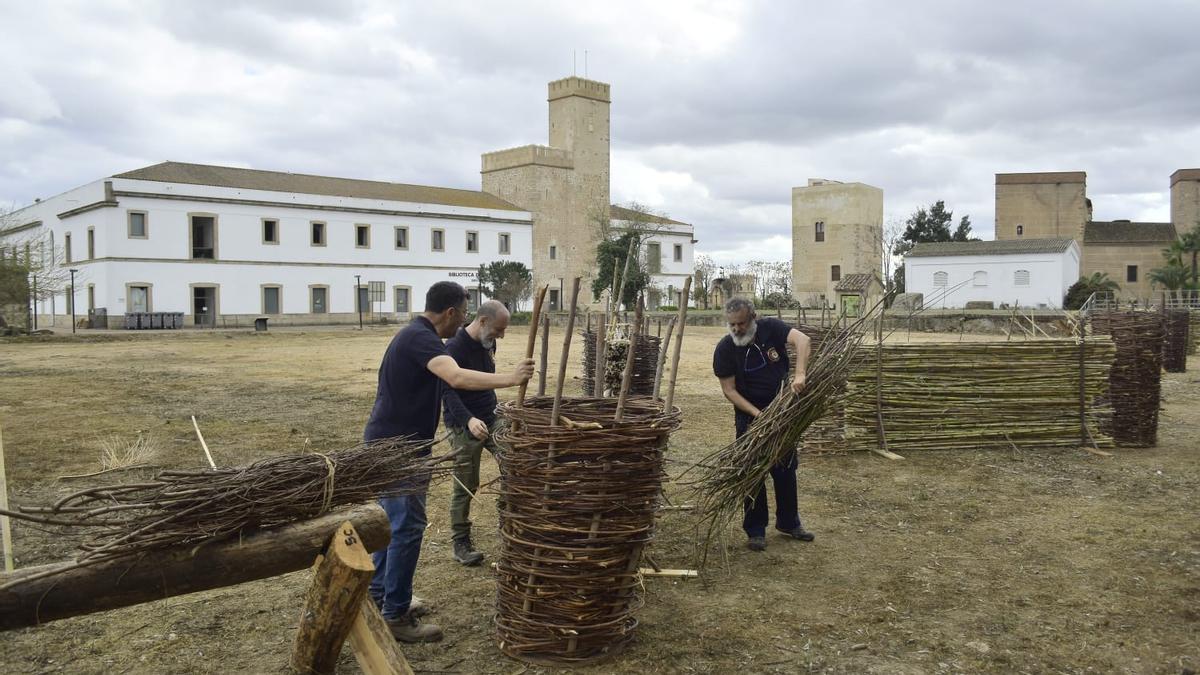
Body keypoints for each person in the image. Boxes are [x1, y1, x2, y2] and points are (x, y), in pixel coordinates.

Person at [364, 282, 533, 643]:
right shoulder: (420, 338)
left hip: (395, 444)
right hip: (398, 449)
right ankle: (393, 614)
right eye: (463, 313)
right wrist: (511, 379)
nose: (464, 323)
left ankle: (383, 599)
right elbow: (455, 379)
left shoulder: (415, 336)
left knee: (391, 526)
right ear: (451, 312)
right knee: (406, 527)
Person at [712, 297, 814, 552]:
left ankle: (789, 522)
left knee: (786, 467)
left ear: (753, 317)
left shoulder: (771, 328)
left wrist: (800, 373)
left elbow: (803, 340)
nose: (737, 329)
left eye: (741, 323)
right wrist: (758, 415)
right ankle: (756, 530)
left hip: (782, 411)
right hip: (750, 416)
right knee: (752, 471)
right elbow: (729, 390)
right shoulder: (725, 349)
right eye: (732, 324)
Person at [440, 299, 510, 566]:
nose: (500, 336)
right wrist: (469, 420)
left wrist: (495, 409)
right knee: (466, 483)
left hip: (492, 417)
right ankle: (461, 542)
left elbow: (486, 380)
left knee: (515, 463)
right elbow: (448, 391)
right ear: (482, 322)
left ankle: (509, 523)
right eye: (498, 330)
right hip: (462, 424)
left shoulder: (488, 341)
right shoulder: (453, 348)